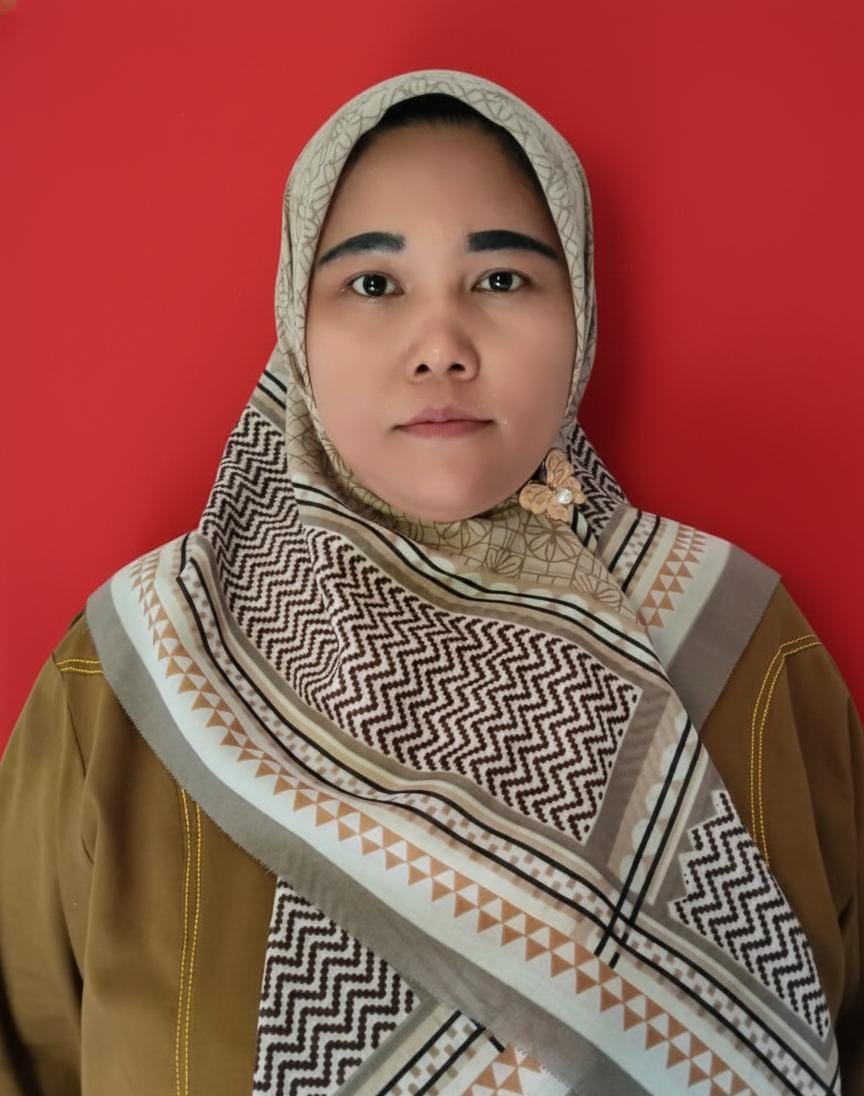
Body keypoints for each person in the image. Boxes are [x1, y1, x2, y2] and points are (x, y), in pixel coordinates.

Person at [0, 67, 861, 1096]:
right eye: (373, 284)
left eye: (501, 280)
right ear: (297, 324)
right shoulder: (135, 669)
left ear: (580, 312)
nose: (442, 347)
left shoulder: (744, 644)